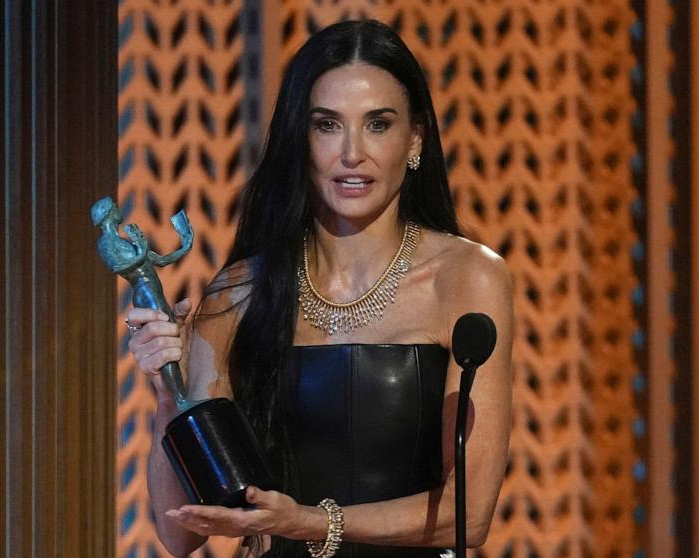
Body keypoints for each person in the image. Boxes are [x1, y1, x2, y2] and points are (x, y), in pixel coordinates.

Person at [125, 19, 513, 558]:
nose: (352, 153)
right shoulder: (240, 291)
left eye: (377, 124)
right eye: (327, 125)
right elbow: (180, 533)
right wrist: (169, 389)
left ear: (416, 138)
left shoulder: (469, 277)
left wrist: (308, 522)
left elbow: (467, 516)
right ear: (300, 141)